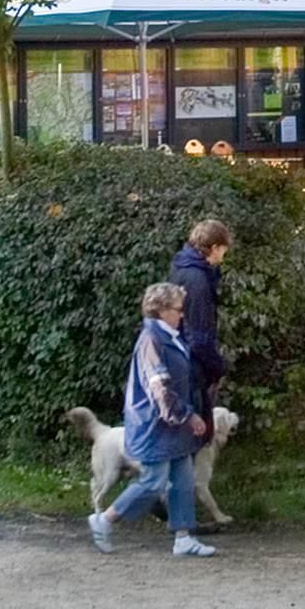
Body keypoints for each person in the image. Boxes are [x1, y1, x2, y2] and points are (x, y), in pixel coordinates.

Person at [88, 282, 216, 558]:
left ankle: (183, 537)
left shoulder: (169, 336)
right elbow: (160, 388)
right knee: (154, 481)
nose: (182, 314)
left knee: (183, 479)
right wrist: (187, 415)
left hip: (172, 424)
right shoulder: (152, 341)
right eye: (178, 309)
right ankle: (105, 519)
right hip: (155, 424)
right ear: (161, 310)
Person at [168, 219, 232, 413]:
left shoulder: (180, 266)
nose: (223, 257)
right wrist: (217, 367)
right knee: (197, 423)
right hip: (192, 367)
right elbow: (199, 336)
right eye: (223, 250)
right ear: (214, 248)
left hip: (177, 359)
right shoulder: (197, 281)